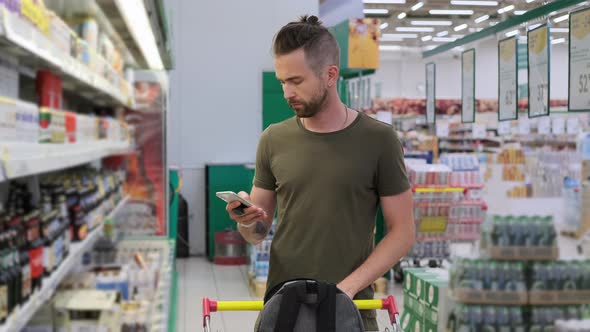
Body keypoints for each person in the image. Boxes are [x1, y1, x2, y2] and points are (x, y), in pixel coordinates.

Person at [225, 15, 415, 331]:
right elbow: (258, 232)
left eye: (296, 81)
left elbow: (402, 232)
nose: (287, 93)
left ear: (330, 75)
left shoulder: (379, 140)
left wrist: (347, 288)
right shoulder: (273, 139)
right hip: (283, 308)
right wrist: (246, 220)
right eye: (282, 81)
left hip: (349, 308)